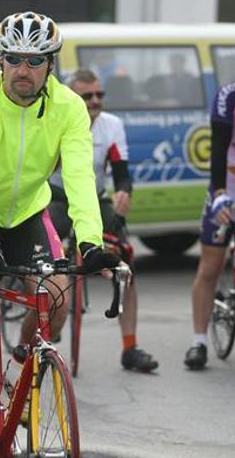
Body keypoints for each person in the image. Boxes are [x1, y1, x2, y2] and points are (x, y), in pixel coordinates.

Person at [0, 11, 118, 458]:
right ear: (0, 60)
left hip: (26, 214)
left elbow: (80, 178)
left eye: (35, 61)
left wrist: (91, 243)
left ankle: (15, 377)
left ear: (51, 65)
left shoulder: (69, 108)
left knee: (56, 298)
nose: (23, 69)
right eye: (14, 59)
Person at [49, 69, 158, 373]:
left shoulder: (112, 125)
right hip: (56, 197)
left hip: (93, 197)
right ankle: (47, 320)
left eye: (99, 94)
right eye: (87, 96)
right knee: (42, 253)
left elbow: (121, 173)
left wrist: (124, 192)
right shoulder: (55, 120)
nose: (95, 101)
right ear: (73, 98)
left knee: (124, 260)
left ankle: (130, 346)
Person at [184, 37, 235, 370]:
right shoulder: (230, 96)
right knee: (210, 267)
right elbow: (218, 149)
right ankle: (199, 341)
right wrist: (219, 192)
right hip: (230, 191)